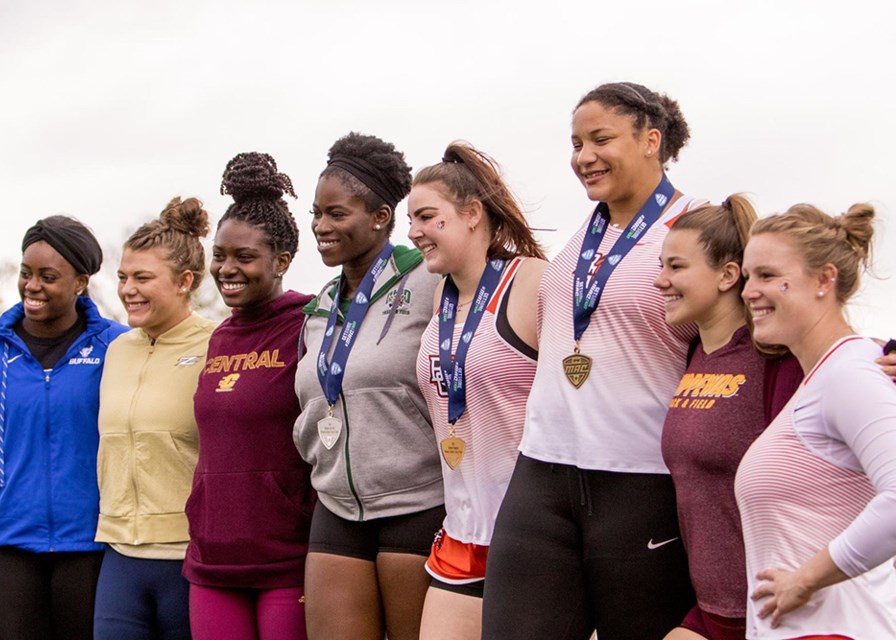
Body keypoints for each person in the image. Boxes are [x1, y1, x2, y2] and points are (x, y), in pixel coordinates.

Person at [482, 82, 703, 639]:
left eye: (600, 139)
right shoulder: (588, 229)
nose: (583, 157)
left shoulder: (701, 225)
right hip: (541, 472)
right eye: (576, 143)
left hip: (640, 481)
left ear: (651, 140)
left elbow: (761, 326)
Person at [294, 132, 445, 640]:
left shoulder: (429, 281)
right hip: (335, 504)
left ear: (381, 217)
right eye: (316, 213)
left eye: (337, 214)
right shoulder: (318, 309)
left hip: (417, 502)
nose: (320, 226)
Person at [0, 216, 126, 640]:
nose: (32, 286)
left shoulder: (118, 348)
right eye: (25, 273)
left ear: (81, 282)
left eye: (48, 276)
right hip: (8, 554)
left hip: (94, 549)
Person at [735, 203, 896, 638]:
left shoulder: (850, 374)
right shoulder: (822, 377)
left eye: (767, 275)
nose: (749, 291)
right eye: (748, 276)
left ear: (825, 279)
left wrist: (806, 579)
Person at [407, 142, 547, 639]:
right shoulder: (438, 299)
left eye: (426, 216)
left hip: (536, 537)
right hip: (463, 535)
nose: (414, 232)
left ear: (471, 213)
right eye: (410, 220)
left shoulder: (532, 282)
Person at [653, 196, 804, 640]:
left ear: (727, 275)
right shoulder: (694, 354)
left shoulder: (776, 359)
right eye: (661, 266)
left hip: (776, 611)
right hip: (711, 608)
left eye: (677, 267)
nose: (661, 281)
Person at [183, 152, 315, 640]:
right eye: (220, 255)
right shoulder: (219, 338)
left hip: (285, 559)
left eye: (244, 257)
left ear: (281, 261)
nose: (226, 268)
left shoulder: (309, 328)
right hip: (212, 560)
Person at [93, 197, 217, 640]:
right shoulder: (117, 350)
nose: (128, 289)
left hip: (188, 558)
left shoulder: (216, 346)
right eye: (123, 277)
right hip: (119, 556)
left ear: (184, 281)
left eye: (143, 278)